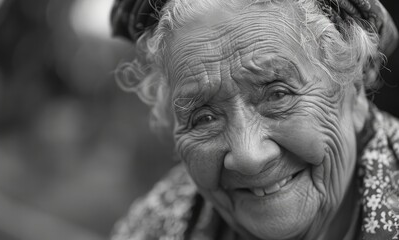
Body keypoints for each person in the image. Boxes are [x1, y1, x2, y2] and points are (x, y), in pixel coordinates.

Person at [110, 0, 399, 239]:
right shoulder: (152, 226)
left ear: (356, 91)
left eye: (277, 95)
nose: (249, 157)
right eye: (205, 117)